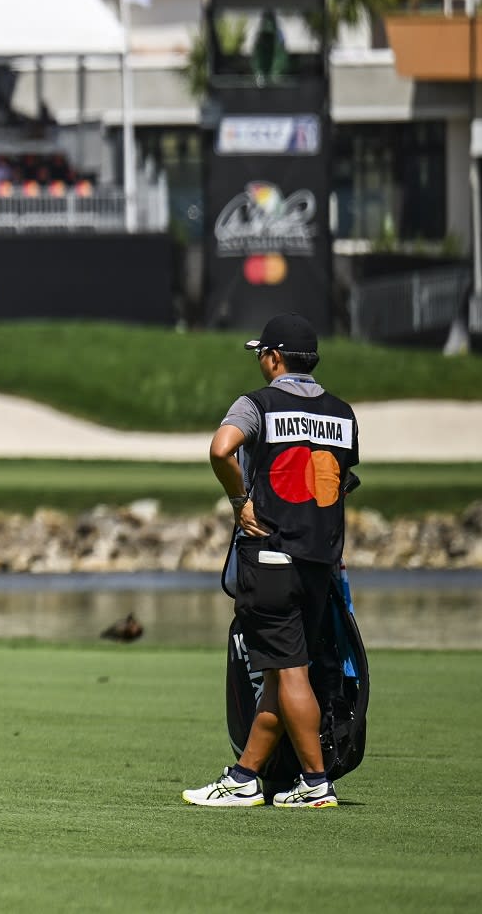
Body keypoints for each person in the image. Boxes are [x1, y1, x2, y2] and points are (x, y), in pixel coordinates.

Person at [184, 313, 358, 809]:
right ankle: (245, 777)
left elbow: (221, 449)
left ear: (274, 357)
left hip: (271, 556)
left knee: (289, 673)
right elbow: (340, 483)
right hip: (320, 561)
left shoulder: (257, 404)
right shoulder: (343, 414)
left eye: (262, 353)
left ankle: (315, 782)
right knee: (283, 671)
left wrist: (240, 502)